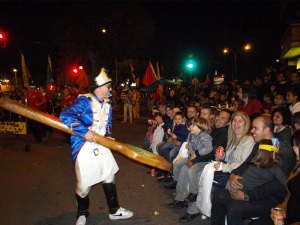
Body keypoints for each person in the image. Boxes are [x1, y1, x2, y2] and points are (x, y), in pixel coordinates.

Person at [60, 68, 133, 225]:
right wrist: (83, 131)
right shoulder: (84, 101)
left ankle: (114, 211)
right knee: (84, 185)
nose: (111, 89)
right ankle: (82, 213)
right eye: (108, 86)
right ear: (100, 87)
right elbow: (65, 116)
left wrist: (107, 136)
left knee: (109, 176)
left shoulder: (108, 103)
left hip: (101, 145)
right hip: (84, 146)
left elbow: (107, 125)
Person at [211, 116, 288, 225]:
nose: (251, 131)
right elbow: (246, 163)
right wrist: (233, 175)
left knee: (235, 207)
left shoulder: (281, 148)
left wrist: (248, 195)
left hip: (269, 197)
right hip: (251, 187)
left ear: (266, 130)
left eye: (255, 128)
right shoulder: (259, 144)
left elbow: (278, 184)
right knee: (219, 196)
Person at [249, 130, 300, 225]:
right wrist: (282, 207)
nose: (293, 148)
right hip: (286, 214)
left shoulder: (277, 147)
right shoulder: (297, 165)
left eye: (296, 145)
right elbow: (291, 194)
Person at [168, 118, 213, 221]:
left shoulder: (204, 135)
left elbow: (208, 148)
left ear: (200, 126)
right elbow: (191, 147)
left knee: (190, 170)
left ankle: (193, 195)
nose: (189, 128)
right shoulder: (191, 134)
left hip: (203, 161)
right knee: (179, 165)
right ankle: (180, 198)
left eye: (192, 126)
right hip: (193, 158)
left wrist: (195, 154)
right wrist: (190, 154)